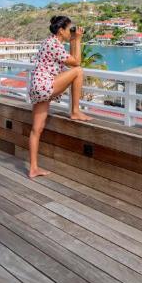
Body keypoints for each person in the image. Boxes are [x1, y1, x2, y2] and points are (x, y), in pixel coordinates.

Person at [27, 15, 92, 178]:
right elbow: (77, 62)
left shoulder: (49, 42)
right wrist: (78, 39)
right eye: (70, 29)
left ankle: (33, 168)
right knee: (78, 71)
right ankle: (75, 111)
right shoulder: (54, 44)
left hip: (37, 86)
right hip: (45, 85)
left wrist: (73, 40)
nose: (71, 31)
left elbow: (70, 58)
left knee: (36, 129)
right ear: (61, 30)